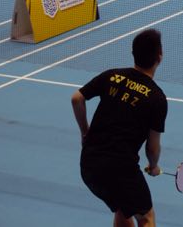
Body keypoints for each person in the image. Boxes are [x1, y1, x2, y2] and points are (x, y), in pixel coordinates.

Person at [71, 28, 168, 227]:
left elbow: (77, 98)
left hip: (89, 164)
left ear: (133, 54)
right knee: (146, 217)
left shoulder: (112, 76)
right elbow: (152, 148)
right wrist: (154, 166)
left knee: (123, 207)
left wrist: (85, 132)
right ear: (159, 57)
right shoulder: (157, 98)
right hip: (120, 169)